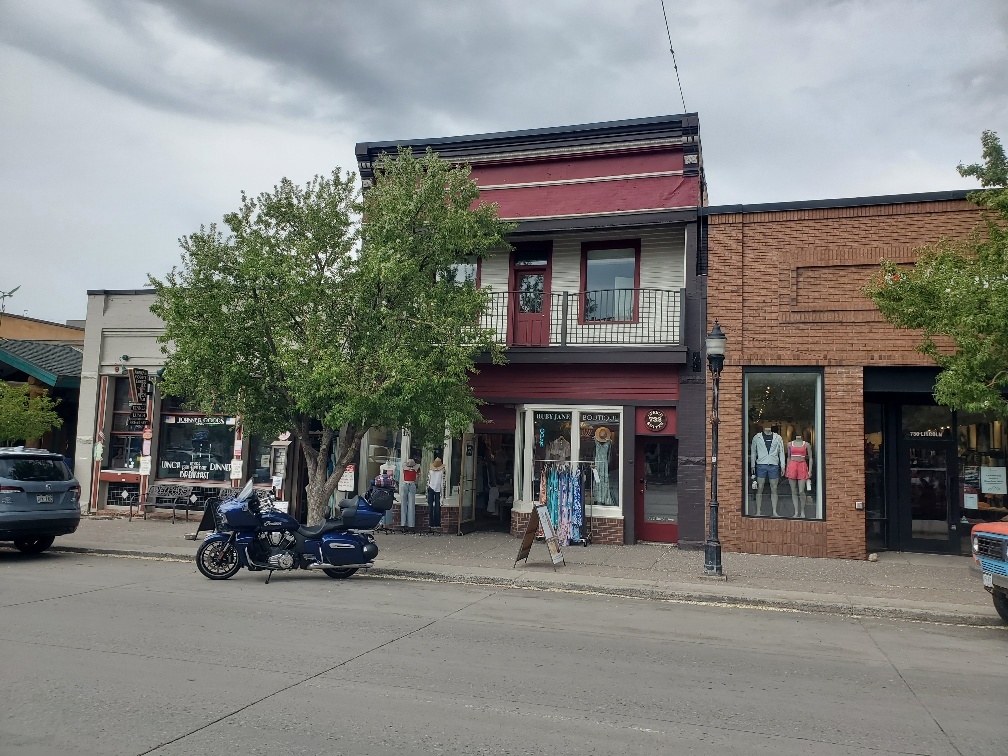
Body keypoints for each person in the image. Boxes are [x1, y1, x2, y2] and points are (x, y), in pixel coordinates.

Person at [750, 426, 785, 516]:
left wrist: (782, 465)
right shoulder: (757, 437)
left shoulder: (778, 437)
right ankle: (758, 511)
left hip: (774, 464)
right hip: (761, 464)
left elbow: (781, 451)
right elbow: (753, 451)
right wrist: (753, 465)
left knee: (774, 488)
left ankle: (774, 511)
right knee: (760, 488)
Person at [784, 434, 812, 519]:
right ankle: (796, 511)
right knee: (793, 491)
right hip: (792, 465)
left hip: (802, 465)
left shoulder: (806, 444)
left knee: (801, 491)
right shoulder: (789, 444)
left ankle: (802, 511)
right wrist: (787, 468)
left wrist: (810, 471)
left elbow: (810, 457)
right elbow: (788, 457)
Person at [401, 458, 419, 530]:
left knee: (405, 504)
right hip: (411, 484)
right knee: (410, 504)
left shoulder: (405, 469)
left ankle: (404, 524)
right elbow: (417, 477)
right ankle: (409, 525)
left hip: (407, 483)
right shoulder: (416, 469)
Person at [427, 457, 445, 529]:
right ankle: (437, 523)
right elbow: (443, 482)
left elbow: (428, 480)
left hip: (431, 487)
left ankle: (431, 523)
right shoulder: (442, 471)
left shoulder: (431, 471)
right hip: (438, 489)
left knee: (430, 506)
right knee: (437, 506)